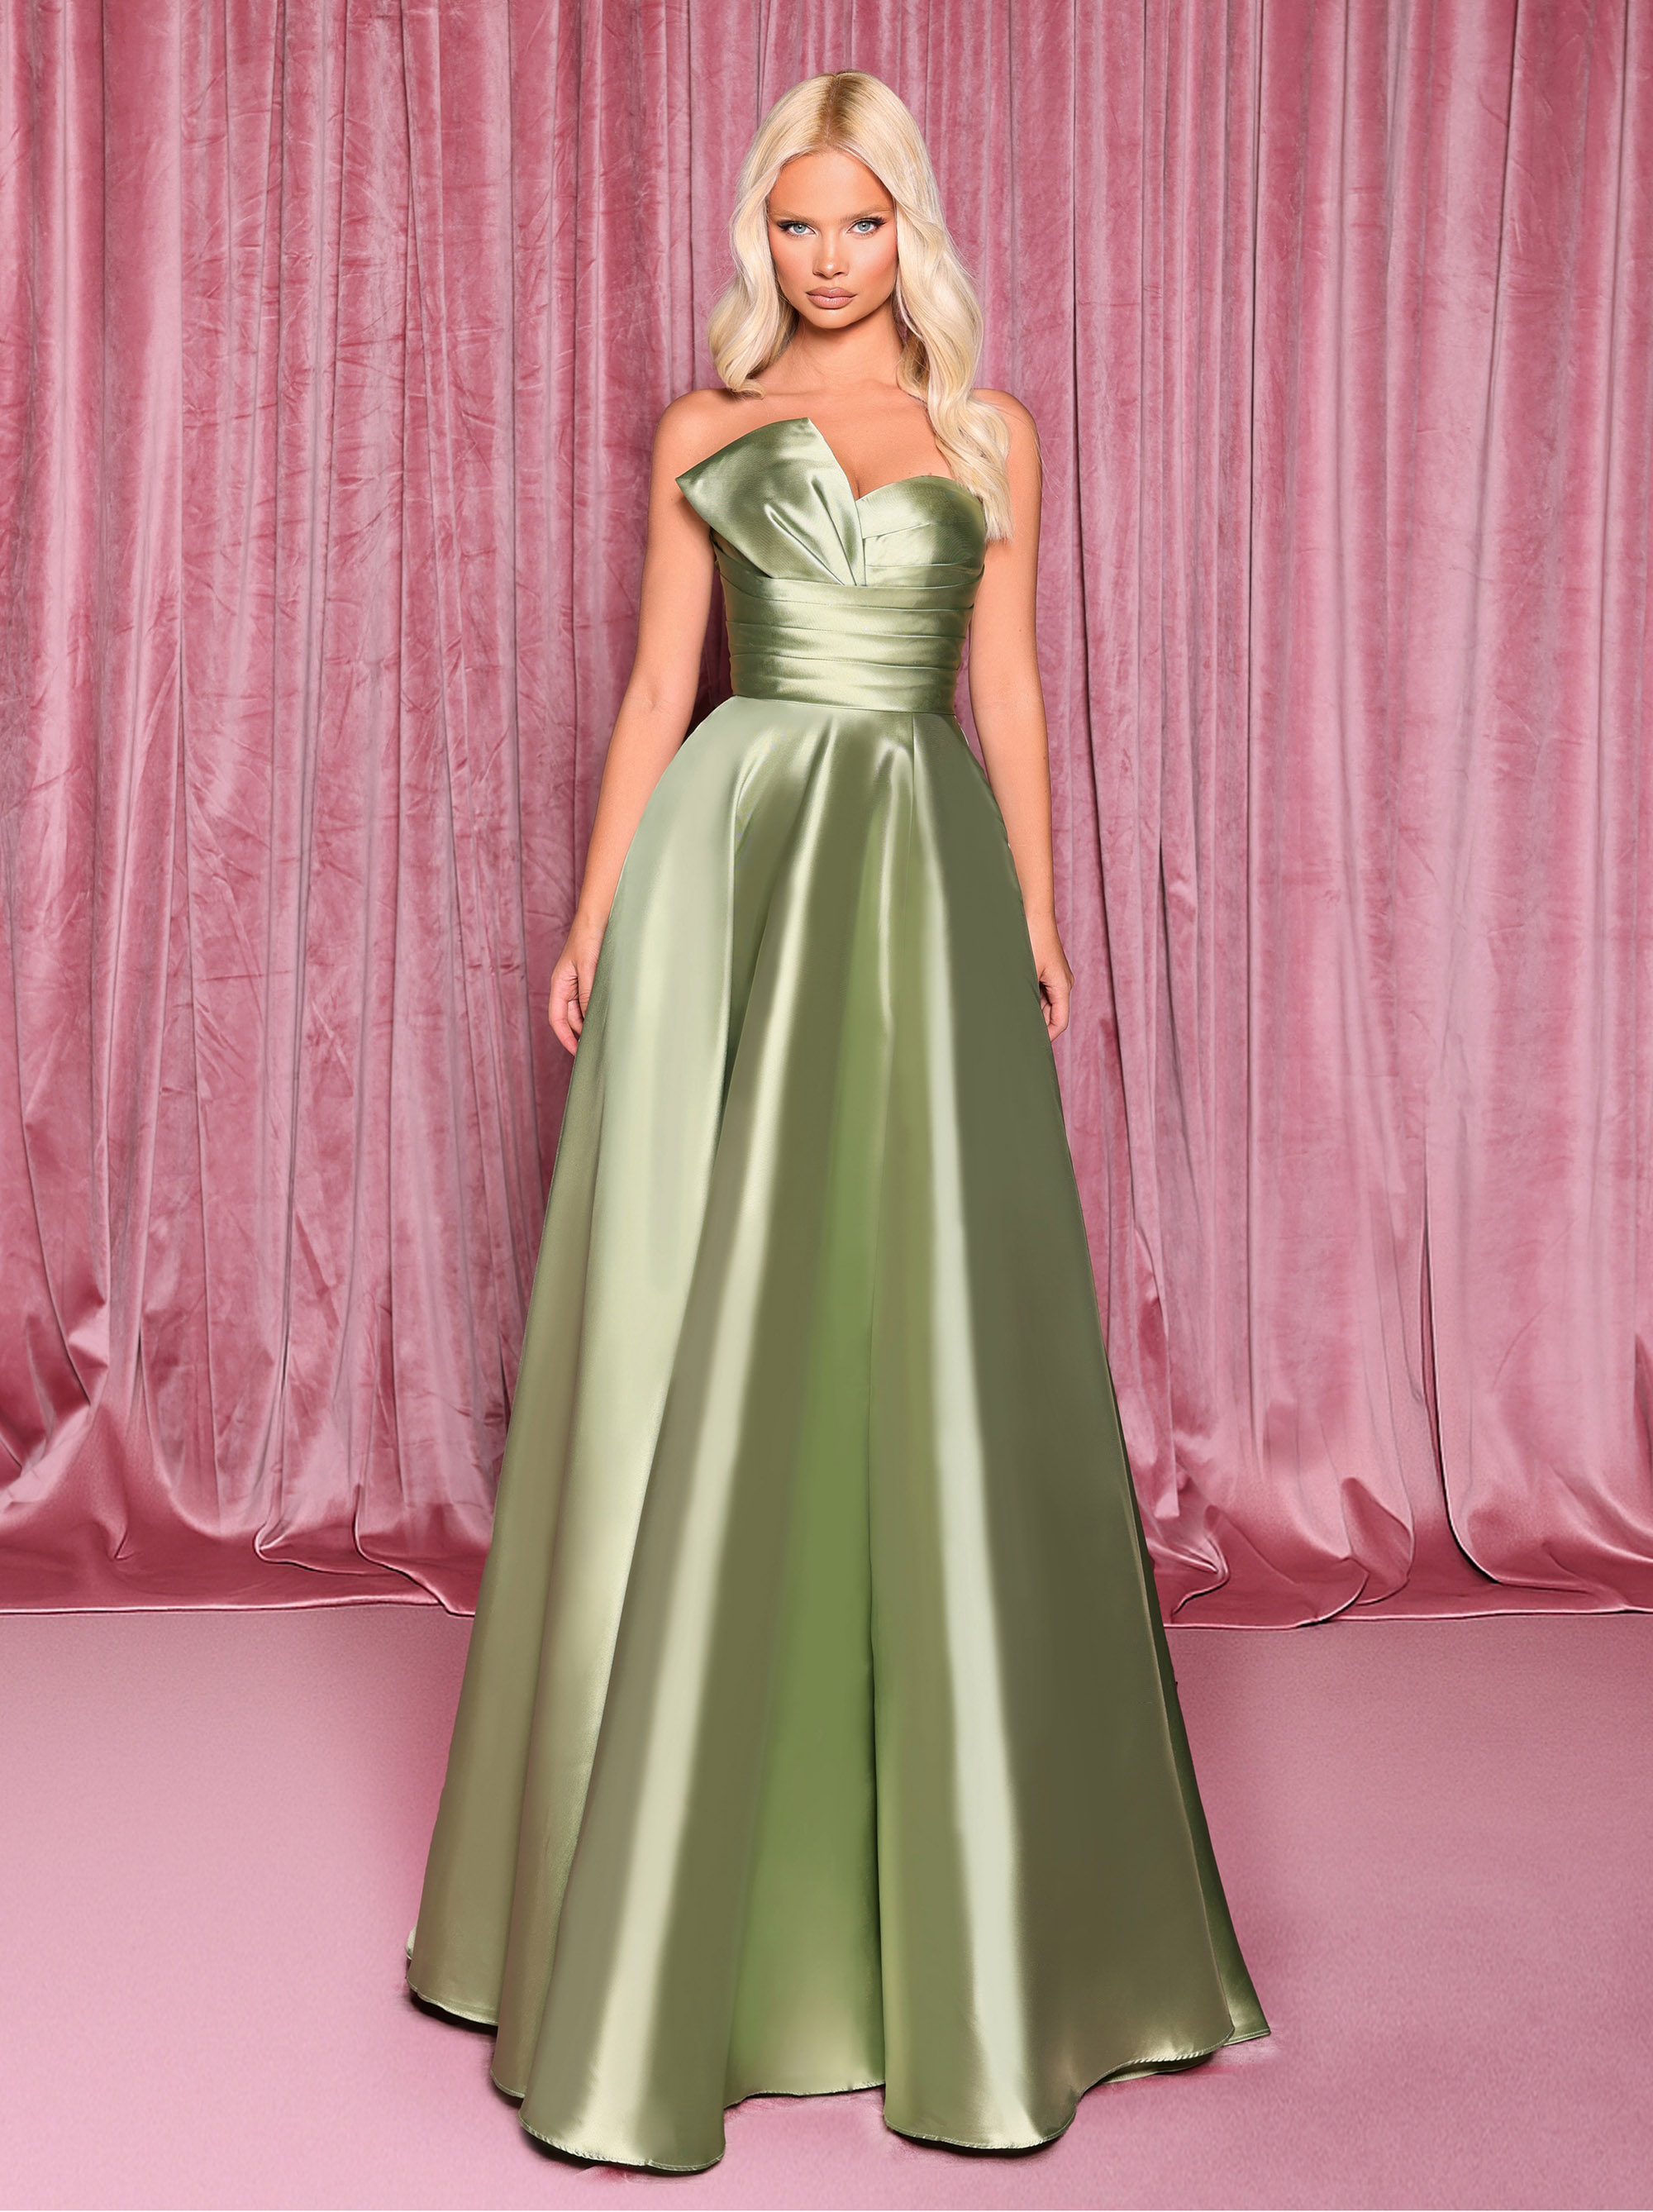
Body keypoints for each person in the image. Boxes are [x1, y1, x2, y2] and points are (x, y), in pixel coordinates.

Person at [407, 69, 1267, 2174]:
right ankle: (672, 1868)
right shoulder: (702, 434)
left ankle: (965, 1898)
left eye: (858, 224)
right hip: (742, 861)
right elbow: (657, 695)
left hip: (919, 864)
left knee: (926, 1316)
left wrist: (1039, 916)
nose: (823, 259)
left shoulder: (990, 436)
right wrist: (594, 916)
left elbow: (1010, 693)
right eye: (793, 225)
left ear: (910, 234)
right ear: (760, 237)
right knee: (723, 1308)